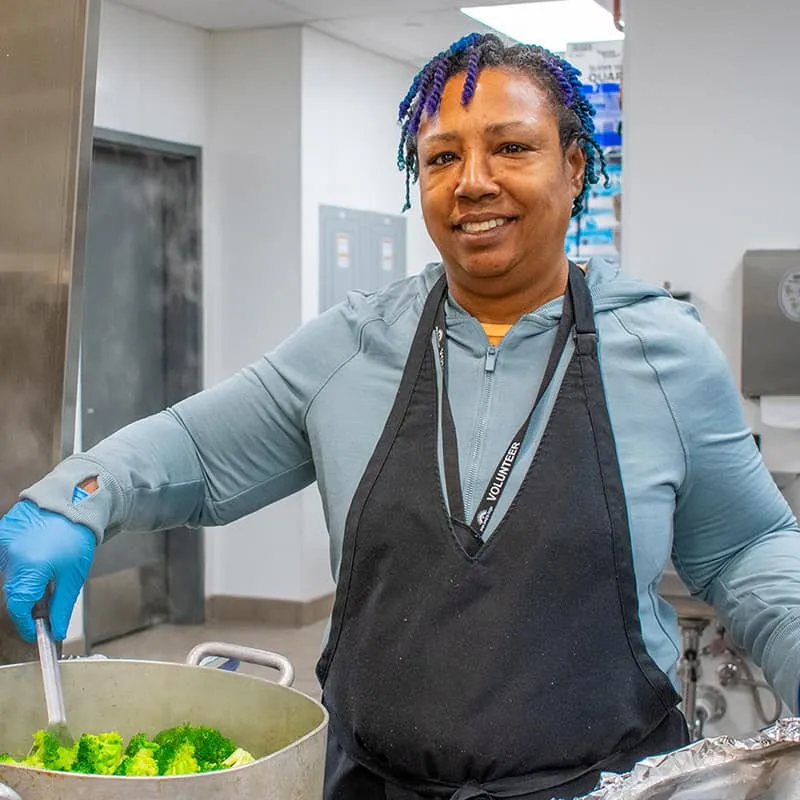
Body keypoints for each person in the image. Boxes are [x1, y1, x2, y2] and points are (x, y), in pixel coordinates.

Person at [0, 32, 799, 800]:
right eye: (442, 157)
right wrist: (76, 496)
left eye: (511, 148)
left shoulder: (661, 351)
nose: (472, 181)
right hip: (376, 786)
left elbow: (748, 546)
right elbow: (199, 449)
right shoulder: (353, 346)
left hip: (607, 784)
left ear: (575, 164)